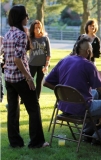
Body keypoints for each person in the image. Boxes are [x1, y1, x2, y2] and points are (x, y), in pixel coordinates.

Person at [43, 36, 101, 147]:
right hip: (81, 109)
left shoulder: (64, 60)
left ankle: (88, 132)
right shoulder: (88, 65)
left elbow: (45, 82)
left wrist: (63, 93)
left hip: (65, 107)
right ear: (88, 52)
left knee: (95, 93)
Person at [2, 5, 48, 148]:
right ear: (21, 17)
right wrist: (29, 77)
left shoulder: (8, 33)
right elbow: (18, 59)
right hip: (20, 78)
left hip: (9, 78)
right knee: (33, 108)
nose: (28, 17)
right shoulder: (22, 34)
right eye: (26, 15)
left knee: (13, 110)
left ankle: (15, 143)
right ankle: (37, 142)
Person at [28, 20, 51, 100]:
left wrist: (46, 65)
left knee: (39, 82)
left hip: (42, 64)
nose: (37, 29)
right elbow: (24, 50)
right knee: (29, 80)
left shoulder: (45, 39)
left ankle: (37, 98)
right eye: (35, 28)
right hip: (32, 63)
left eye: (39, 27)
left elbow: (48, 53)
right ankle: (26, 98)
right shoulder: (30, 38)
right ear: (32, 29)